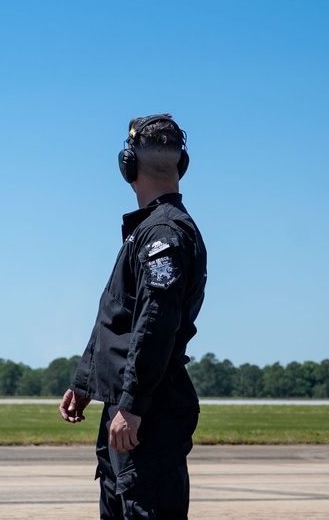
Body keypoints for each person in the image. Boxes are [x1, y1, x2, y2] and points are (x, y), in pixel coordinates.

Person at [59, 114, 207, 520]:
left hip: (148, 412)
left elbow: (155, 322)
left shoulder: (164, 234)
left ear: (128, 165)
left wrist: (133, 405)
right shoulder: (147, 231)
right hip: (126, 404)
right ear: (182, 163)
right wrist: (86, 381)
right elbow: (119, 313)